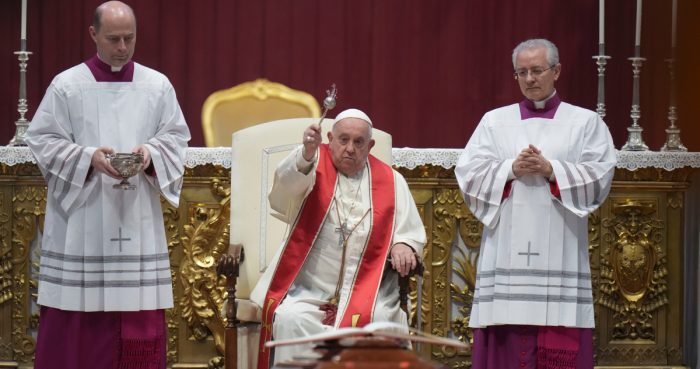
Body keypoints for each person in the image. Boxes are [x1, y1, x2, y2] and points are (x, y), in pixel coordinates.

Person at [25, 2, 190, 368]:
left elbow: (177, 137)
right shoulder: (67, 85)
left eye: (129, 38)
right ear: (93, 34)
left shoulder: (156, 86)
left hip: (135, 217)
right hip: (84, 217)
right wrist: (87, 158)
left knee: (137, 312)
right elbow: (43, 139)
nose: (122, 47)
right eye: (113, 38)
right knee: (77, 315)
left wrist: (149, 154)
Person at [455, 39, 616, 369]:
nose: (530, 78)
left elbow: (600, 175)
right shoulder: (494, 122)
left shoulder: (585, 123)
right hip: (506, 250)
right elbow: (468, 173)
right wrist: (510, 169)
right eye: (522, 72)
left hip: (562, 246)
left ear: (556, 71)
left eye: (537, 70)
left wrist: (552, 170)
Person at [249, 108, 426, 368]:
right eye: (343, 140)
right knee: (291, 319)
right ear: (330, 138)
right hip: (309, 292)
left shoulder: (391, 181)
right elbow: (284, 192)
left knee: (381, 323)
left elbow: (408, 229)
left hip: (370, 293)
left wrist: (403, 244)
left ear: (371, 145)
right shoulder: (311, 165)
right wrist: (306, 154)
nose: (350, 149)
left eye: (358, 142)